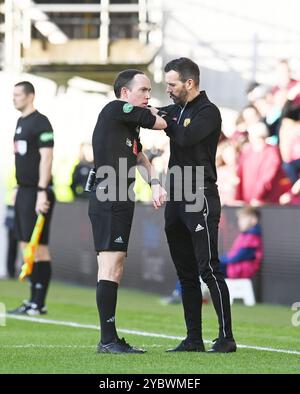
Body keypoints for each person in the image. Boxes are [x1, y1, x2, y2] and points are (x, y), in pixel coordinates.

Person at [153, 57, 236, 352]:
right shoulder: (175, 110)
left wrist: (166, 121)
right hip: (176, 196)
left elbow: (186, 137)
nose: (168, 90)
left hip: (199, 194)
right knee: (185, 272)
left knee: (209, 269)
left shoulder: (209, 112)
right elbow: (151, 115)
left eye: (172, 84)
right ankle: (193, 338)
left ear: (189, 83)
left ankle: (226, 337)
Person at [88, 69, 167, 354]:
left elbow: (141, 156)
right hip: (110, 195)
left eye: (148, 91)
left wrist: (155, 184)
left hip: (120, 196)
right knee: (111, 264)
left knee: (115, 264)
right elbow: (158, 122)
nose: (148, 95)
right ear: (125, 93)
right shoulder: (115, 109)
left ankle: (109, 338)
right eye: (143, 90)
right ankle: (107, 340)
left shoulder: (126, 124)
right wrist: (174, 113)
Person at [8, 81, 55, 316]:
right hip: (24, 190)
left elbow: (46, 158)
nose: (13, 98)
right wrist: (19, 186)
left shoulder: (41, 122)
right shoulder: (20, 122)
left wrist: (41, 190)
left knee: (38, 247)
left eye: (17, 95)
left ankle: (39, 302)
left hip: (37, 191)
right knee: (25, 244)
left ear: (30, 96)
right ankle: (32, 300)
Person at [220, 206, 263, 279]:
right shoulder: (245, 235)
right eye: (239, 219)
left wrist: (218, 260)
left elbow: (237, 257)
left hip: (239, 271)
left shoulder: (252, 238)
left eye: (243, 219)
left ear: (254, 220)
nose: (239, 222)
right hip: (233, 269)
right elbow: (233, 254)